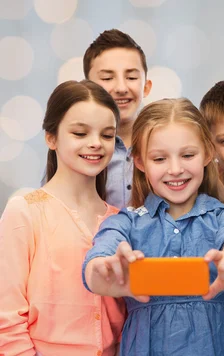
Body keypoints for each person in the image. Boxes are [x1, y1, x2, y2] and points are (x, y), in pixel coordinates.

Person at [82, 98, 224, 355]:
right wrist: (102, 271)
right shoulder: (124, 223)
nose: (175, 169)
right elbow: (95, 266)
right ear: (140, 162)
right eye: (160, 159)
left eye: (187, 155)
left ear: (208, 154)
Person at [0, 80, 126, 356]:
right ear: (51, 137)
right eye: (80, 133)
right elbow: (7, 320)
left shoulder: (121, 221)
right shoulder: (25, 211)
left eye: (107, 135)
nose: (95, 144)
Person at [84, 29, 152, 208]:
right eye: (107, 77)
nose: (121, 87)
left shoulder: (164, 142)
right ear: (87, 88)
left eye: (131, 77)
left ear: (146, 87)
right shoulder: (76, 150)